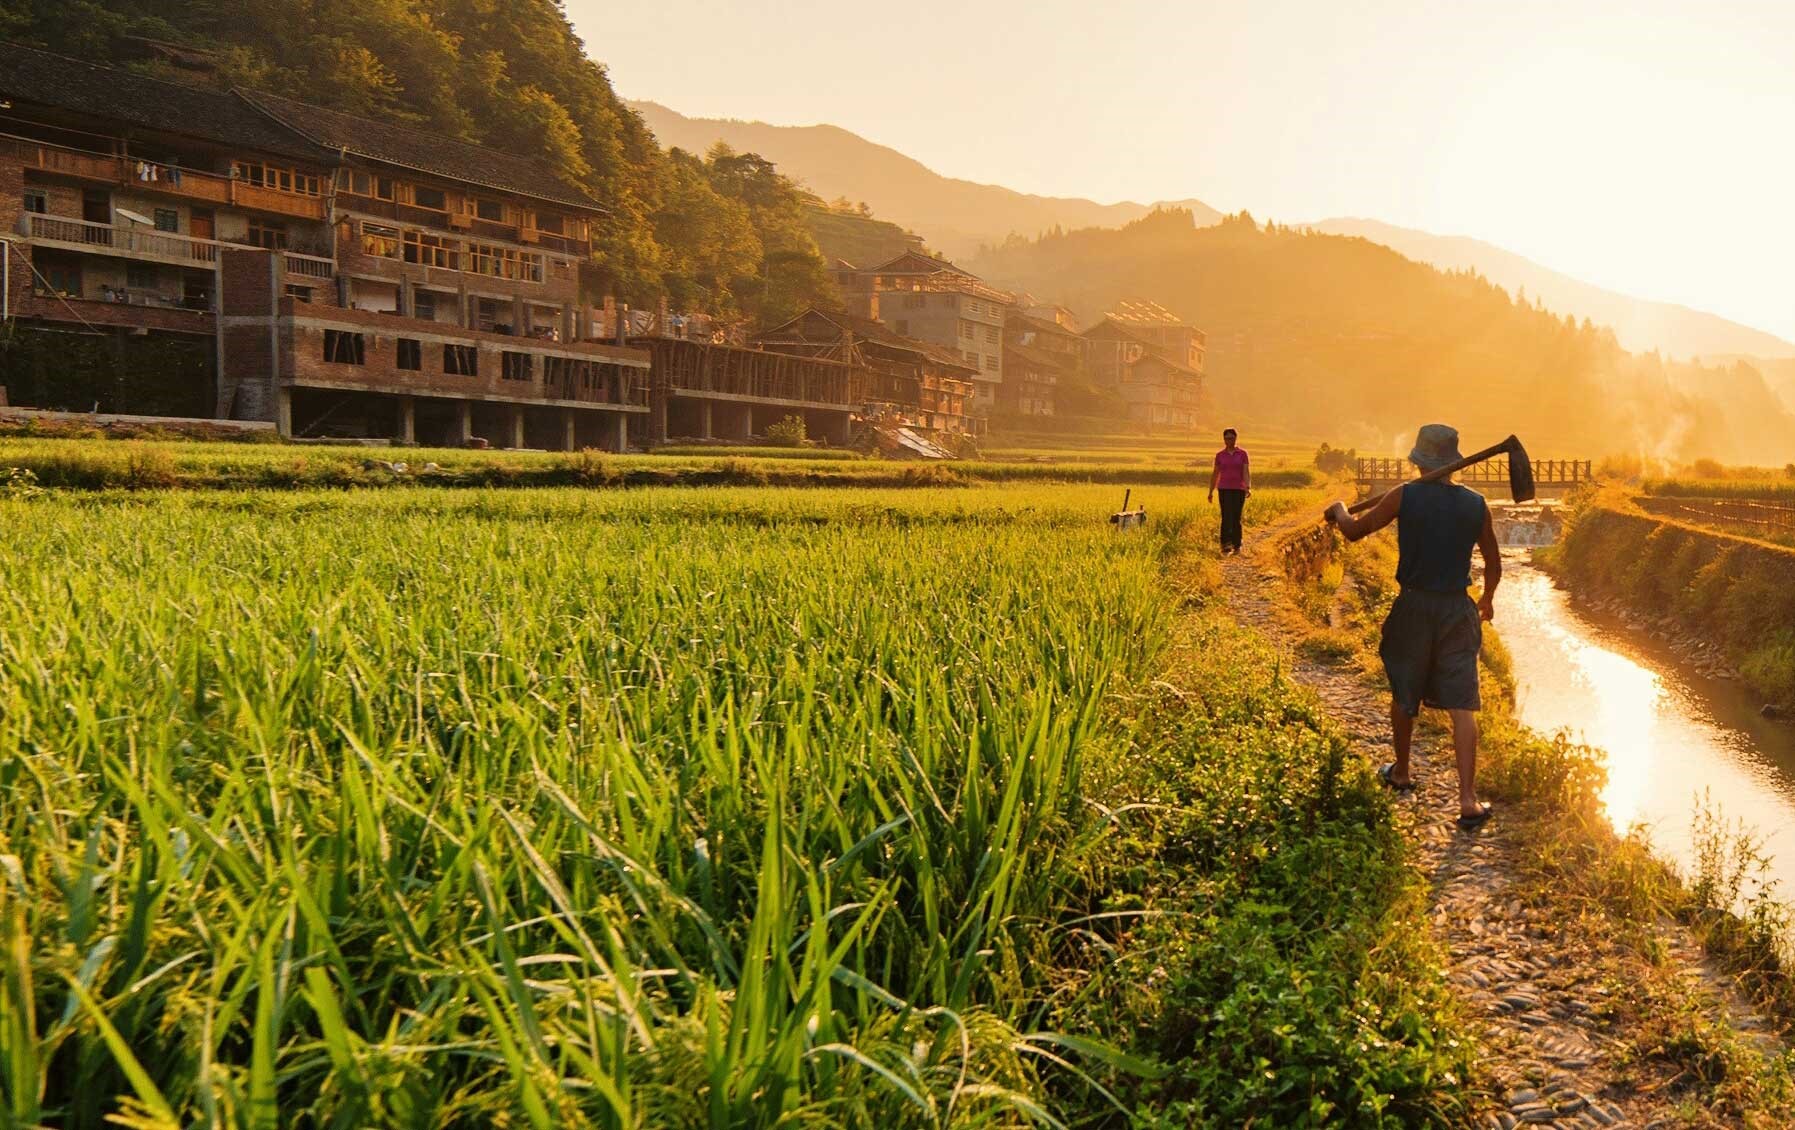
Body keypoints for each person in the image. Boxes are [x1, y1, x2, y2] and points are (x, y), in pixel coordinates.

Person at [1324, 423, 1500, 830]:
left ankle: (1401, 772)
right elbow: (1493, 562)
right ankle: (1468, 801)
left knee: (1405, 691)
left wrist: (1338, 509)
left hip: (1414, 607)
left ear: (1418, 461)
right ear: (1455, 464)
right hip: (1458, 609)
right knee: (1463, 704)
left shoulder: (1404, 495)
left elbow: (1353, 532)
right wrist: (1487, 599)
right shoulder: (1476, 504)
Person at [1207, 427, 1251, 554]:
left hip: (1239, 489)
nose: (1228, 441)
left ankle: (1237, 544)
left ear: (1235, 438)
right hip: (1224, 489)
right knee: (1226, 516)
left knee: (1236, 516)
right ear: (1223, 439)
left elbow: (1245, 472)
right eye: (1226, 438)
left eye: (1231, 438)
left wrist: (1248, 487)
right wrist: (1210, 491)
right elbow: (1215, 473)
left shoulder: (1242, 454)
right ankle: (1225, 544)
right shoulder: (1220, 455)